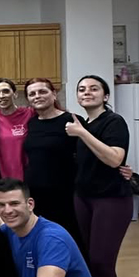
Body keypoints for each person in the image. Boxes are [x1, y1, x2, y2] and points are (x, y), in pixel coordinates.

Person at [67, 75, 132, 277]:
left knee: (101, 262)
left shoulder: (113, 122)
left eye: (94, 88)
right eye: (82, 89)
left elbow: (115, 158)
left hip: (111, 199)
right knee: (89, 261)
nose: (87, 92)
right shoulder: (83, 123)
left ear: (105, 95)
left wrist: (82, 133)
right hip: (84, 198)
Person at [22, 78, 80, 244]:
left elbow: (89, 154)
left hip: (64, 194)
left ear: (54, 94)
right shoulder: (32, 123)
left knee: (68, 238)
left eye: (42, 91)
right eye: (32, 94)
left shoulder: (71, 121)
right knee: (44, 239)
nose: (37, 96)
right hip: (36, 194)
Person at [0, 78, 34, 180]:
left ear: (15, 94)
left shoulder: (30, 113)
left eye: (6, 91)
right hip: (5, 176)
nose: (1, 96)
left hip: (30, 174)